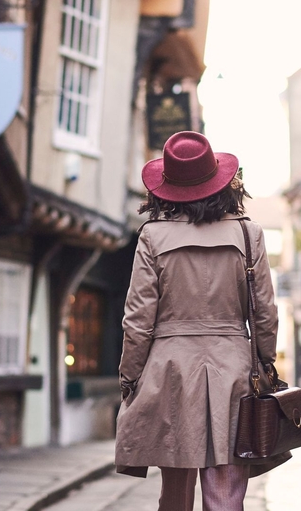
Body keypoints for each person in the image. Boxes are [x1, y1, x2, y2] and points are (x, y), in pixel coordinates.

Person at [115, 131, 288, 511]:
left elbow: (138, 318)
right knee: (226, 487)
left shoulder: (152, 236)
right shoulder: (249, 232)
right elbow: (265, 313)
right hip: (233, 367)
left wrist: (130, 376)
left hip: (169, 369)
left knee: (174, 489)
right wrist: (265, 362)